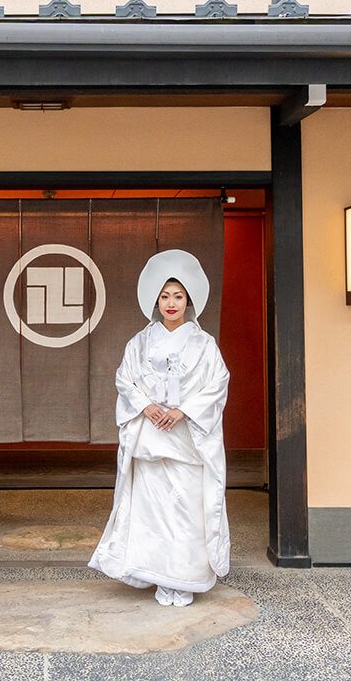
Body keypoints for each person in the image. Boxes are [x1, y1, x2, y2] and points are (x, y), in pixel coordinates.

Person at [88, 249, 231, 607]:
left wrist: (183, 411)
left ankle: (184, 578)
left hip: (186, 438)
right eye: (165, 296)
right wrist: (148, 407)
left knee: (185, 507)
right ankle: (156, 575)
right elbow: (125, 379)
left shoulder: (204, 343)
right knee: (152, 509)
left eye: (178, 296)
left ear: (189, 300)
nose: (171, 303)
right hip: (151, 434)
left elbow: (218, 383)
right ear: (156, 300)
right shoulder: (140, 341)